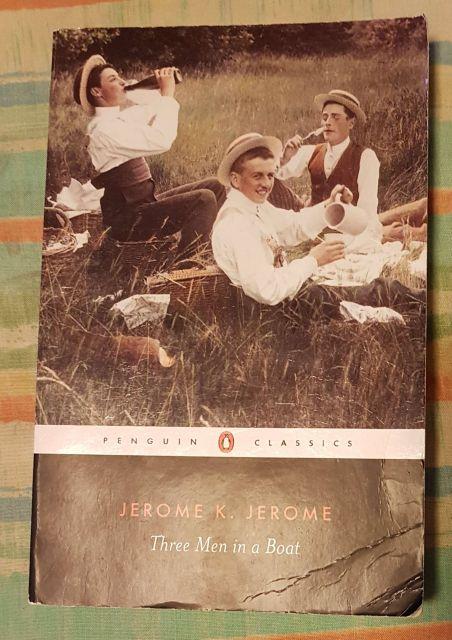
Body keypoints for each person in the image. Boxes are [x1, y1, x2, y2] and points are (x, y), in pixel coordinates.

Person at [212, 132, 424, 319]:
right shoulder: (237, 224)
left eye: (270, 175)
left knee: (370, 286)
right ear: (235, 180)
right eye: (257, 176)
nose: (266, 184)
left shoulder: (252, 206)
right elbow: (266, 289)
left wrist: (330, 205)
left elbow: (293, 226)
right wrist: (313, 260)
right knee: (380, 291)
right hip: (279, 312)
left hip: (288, 296)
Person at [73, 55, 225, 264]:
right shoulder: (103, 130)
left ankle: (207, 246)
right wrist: (168, 94)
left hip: (143, 205)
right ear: (96, 92)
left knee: (216, 185)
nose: (121, 81)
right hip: (127, 220)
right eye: (113, 79)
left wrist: (133, 88)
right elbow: (161, 140)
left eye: (120, 77)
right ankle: (187, 265)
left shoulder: (119, 118)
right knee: (204, 199)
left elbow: (154, 105)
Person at [274, 90, 384, 249]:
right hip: (311, 231)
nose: (328, 122)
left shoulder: (366, 157)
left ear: (351, 123)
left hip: (345, 235)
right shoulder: (311, 151)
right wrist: (284, 159)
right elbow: (275, 175)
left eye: (335, 117)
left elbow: (367, 213)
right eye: (325, 117)